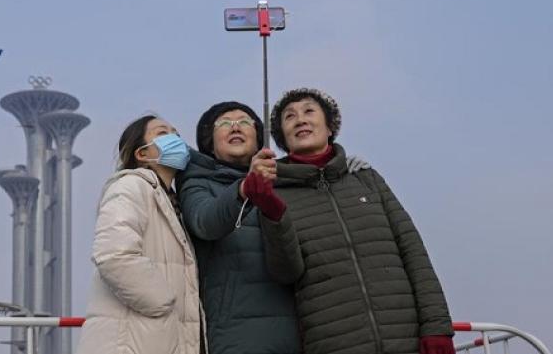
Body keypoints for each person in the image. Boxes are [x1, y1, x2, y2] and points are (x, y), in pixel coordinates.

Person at [251, 88, 454, 354]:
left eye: (309, 111)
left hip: (405, 337)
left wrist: (437, 324)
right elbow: (286, 272)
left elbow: (413, 252)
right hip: (333, 343)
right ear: (281, 137)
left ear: (329, 126)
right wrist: (272, 211)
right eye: (289, 117)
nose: (300, 120)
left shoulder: (366, 178)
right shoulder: (275, 192)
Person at [179, 102, 370, 354]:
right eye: (224, 123)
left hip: (305, 333)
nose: (235, 126)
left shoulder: (285, 182)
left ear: (259, 138)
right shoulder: (198, 184)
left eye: (245, 122)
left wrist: (341, 171)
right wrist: (244, 190)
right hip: (237, 336)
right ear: (209, 142)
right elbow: (205, 222)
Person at [76, 115, 204, 354]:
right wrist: (164, 302)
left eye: (176, 133)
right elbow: (113, 255)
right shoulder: (130, 186)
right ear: (142, 153)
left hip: (154, 340)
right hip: (131, 342)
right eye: (162, 133)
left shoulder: (171, 202)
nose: (174, 139)